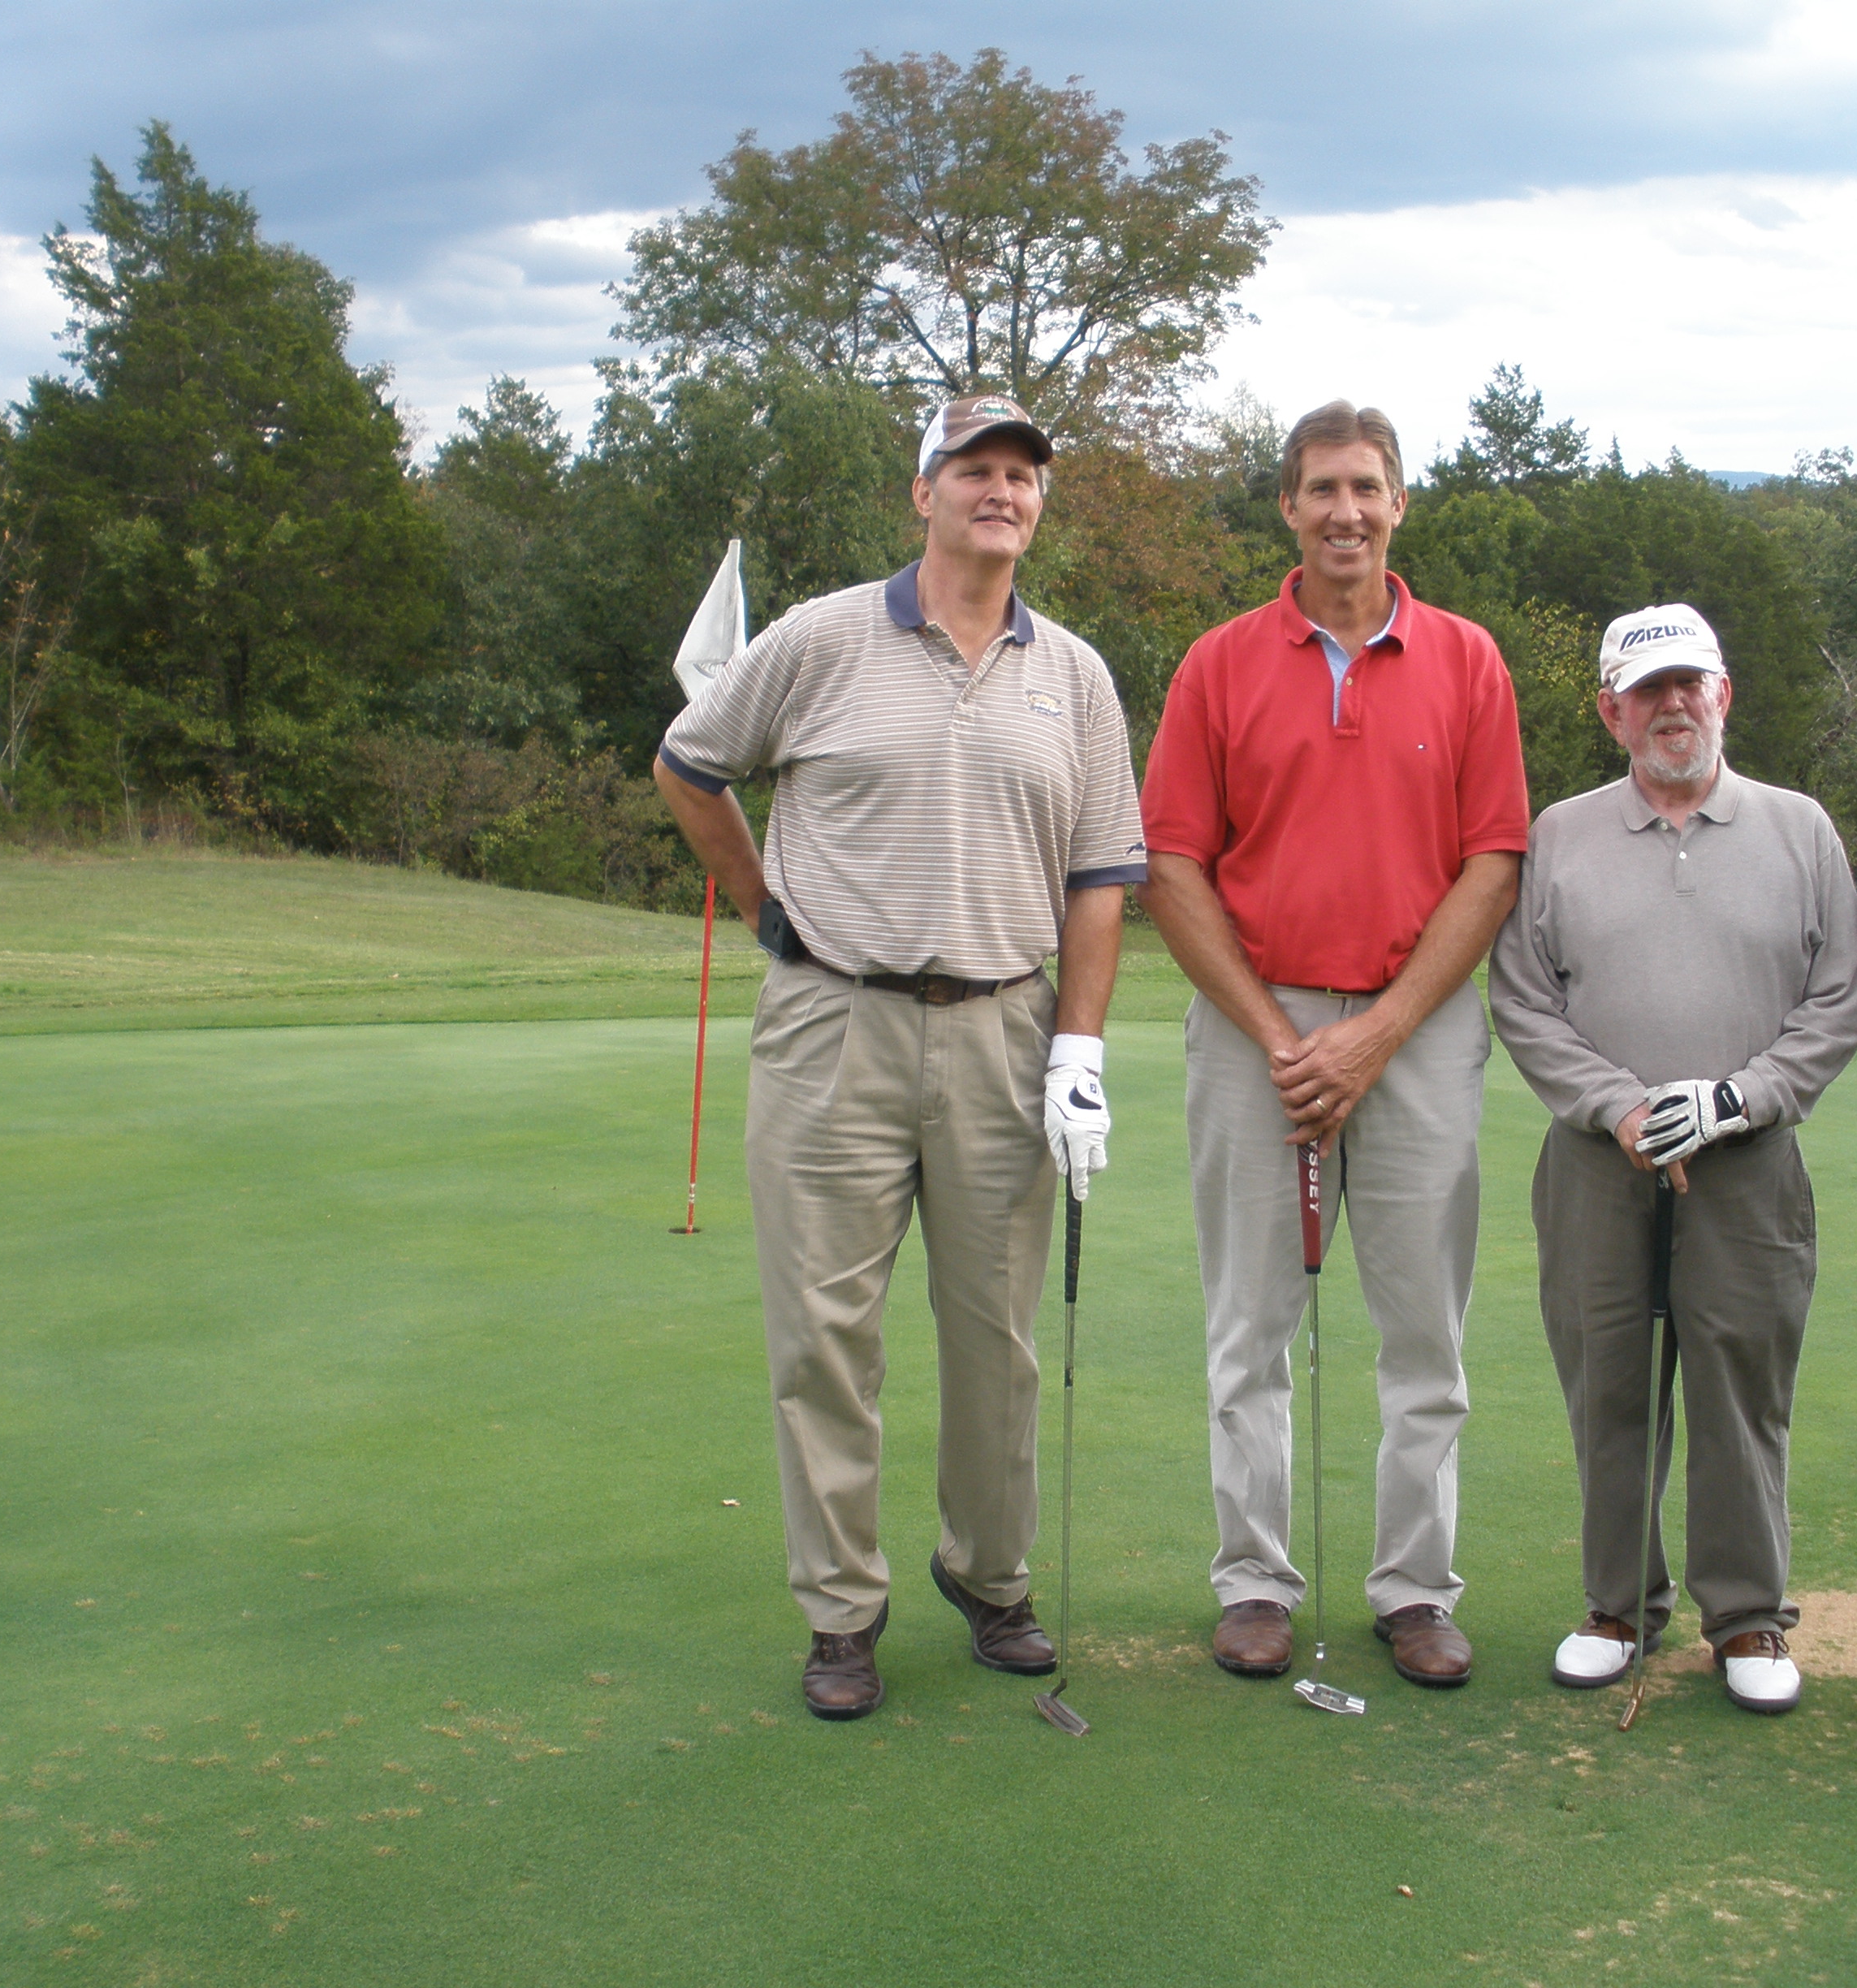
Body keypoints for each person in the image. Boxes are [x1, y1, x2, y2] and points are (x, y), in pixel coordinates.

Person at [652, 394, 1147, 1722]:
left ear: (1039, 504)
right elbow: (691, 764)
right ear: (921, 492)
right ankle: (840, 1612)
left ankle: (990, 1580)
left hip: (1005, 1029)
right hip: (835, 1026)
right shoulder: (820, 640)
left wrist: (1080, 1049)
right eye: (974, 469)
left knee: (995, 1338)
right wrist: (766, 909)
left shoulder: (1077, 675)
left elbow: (1102, 875)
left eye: (1022, 476)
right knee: (825, 1335)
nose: (1002, 491)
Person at [1139, 400, 1530, 1689]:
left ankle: (1416, 1591)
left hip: (1413, 1031)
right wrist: (1277, 1034)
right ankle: (1254, 1580)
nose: (1344, 510)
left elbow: (1492, 862)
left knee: (1425, 1332)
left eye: (1367, 487)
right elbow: (1174, 863)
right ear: (1290, 510)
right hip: (1256, 1030)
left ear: (1400, 503)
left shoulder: (1468, 659)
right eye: (1321, 489)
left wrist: (1378, 1034)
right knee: (1250, 1326)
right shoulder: (1220, 662)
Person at [1490, 604, 1857, 1714]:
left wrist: (1740, 1099)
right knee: (1609, 1387)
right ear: (1612, 711)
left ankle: (1748, 1619)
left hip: (1749, 1164)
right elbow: (1524, 999)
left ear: (1724, 694)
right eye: (1647, 690)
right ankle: (1617, 1606)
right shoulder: (1559, 832)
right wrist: (1616, 1107)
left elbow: (1838, 1001)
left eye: (1690, 683)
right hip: (1598, 1161)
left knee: (1741, 1391)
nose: (1672, 706)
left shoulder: (1800, 831)